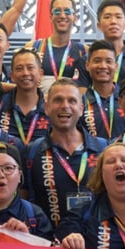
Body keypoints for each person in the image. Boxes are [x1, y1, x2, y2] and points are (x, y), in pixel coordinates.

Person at [22, 78, 107, 228]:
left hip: (95, 244)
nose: (65, 106)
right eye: (58, 100)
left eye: (72, 101)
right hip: (50, 243)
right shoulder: (32, 152)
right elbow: (24, 201)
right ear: (46, 107)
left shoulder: (103, 149)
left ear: (81, 109)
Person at [57, 141, 125, 249]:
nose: (118, 165)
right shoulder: (80, 215)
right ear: (101, 175)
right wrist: (69, 241)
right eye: (110, 162)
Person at [29, 0, 88, 87]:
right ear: (50, 17)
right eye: (57, 12)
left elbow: (86, 86)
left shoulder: (83, 51)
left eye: (67, 12)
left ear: (75, 18)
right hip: (40, 101)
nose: (62, 15)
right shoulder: (33, 47)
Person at [0, 47, 49, 147]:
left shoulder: (50, 108)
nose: (25, 73)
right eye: (19, 69)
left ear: (40, 74)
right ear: (12, 75)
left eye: (30, 67)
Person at [80, 40, 125, 140]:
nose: (103, 66)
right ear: (87, 65)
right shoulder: (79, 103)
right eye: (97, 61)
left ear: (116, 66)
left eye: (108, 61)